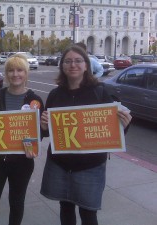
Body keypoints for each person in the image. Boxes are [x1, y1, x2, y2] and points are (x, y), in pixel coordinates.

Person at [40, 45, 132, 225]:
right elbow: (47, 131)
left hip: (90, 167)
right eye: (67, 61)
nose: (72, 65)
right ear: (62, 66)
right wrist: (43, 126)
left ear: (86, 65)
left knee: (88, 214)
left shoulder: (101, 92)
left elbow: (115, 128)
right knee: (65, 209)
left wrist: (124, 124)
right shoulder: (54, 94)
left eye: (78, 60)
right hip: (60, 164)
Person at [0, 54, 44, 225]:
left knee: (17, 203)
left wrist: (35, 143)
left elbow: (39, 133)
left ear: (26, 73)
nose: (15, 74)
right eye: (11, 70)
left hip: (22, 162)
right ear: (6, 74)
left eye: (20, 70)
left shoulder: (35, 100)